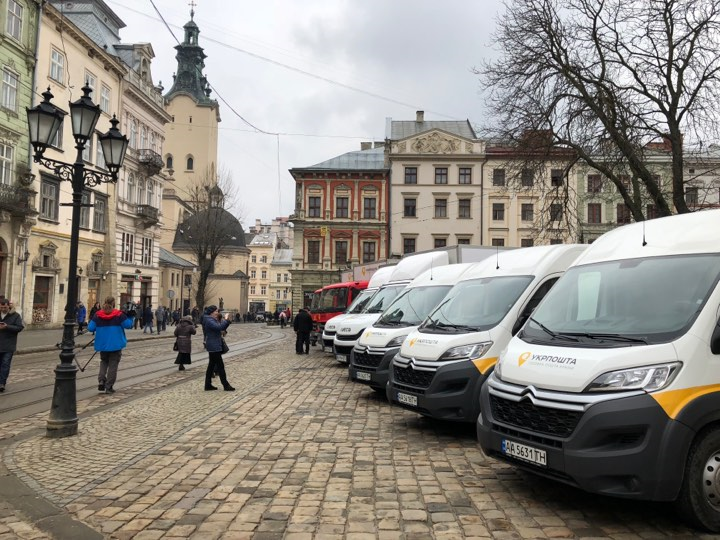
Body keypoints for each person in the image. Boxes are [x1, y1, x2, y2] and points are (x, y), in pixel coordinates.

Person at [88, 296, 134, 394]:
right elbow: (129, 325)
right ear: (113, 303)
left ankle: (101, 380)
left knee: (104, 362)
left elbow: (91, 328)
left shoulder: (98, 314)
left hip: (103, 344)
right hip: (116, 344)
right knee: (113, 365)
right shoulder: (119, 315)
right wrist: (131, 316)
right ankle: (109, 386)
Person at [202, 305, 234, 391]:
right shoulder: (209, 320)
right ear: (211, 312)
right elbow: (219, 327)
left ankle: (207, 385)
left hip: (214, 344)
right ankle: (226, 385)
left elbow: (221, 328)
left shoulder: (211, 319)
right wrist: (227, 320)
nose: (217, 313)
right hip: (214, 345)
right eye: (216, 311)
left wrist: (226, 322)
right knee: (220, 366)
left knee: (211, 366)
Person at [0, 298, 24, 393]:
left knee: (5, 364)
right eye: (1, 307)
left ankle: (2, 383)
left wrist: (7, 327)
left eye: (5, 307)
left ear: (8, 306)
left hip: (8, 345)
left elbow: (20, 327)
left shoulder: (15, 316)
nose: (3, 309)